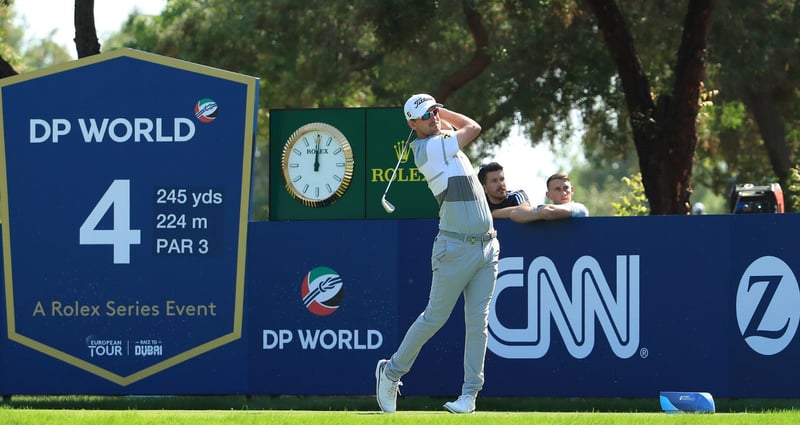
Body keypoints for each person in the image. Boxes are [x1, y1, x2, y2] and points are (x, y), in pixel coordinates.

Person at [375, 94, 499, 415]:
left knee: (478, 324)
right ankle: (391, 373)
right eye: (426, 114)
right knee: (435, 318)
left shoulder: (444, 141)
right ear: (412, 124)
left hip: (487, 246)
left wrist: (437, 115)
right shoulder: (425, 149)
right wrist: (443, 111)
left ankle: (469, 395)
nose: (434, 117)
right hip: (454, 247)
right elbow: (473, 127)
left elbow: (462, 131)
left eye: (434, 111)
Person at [510, 172, 589, 222]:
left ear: (572, 190)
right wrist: (541, 213)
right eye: (558, 189)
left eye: (566, 188)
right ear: (548, 195)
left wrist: (534, 214)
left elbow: (547, 212)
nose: (564, 193)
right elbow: (515, 213)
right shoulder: (541, 209)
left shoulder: (579, 208)